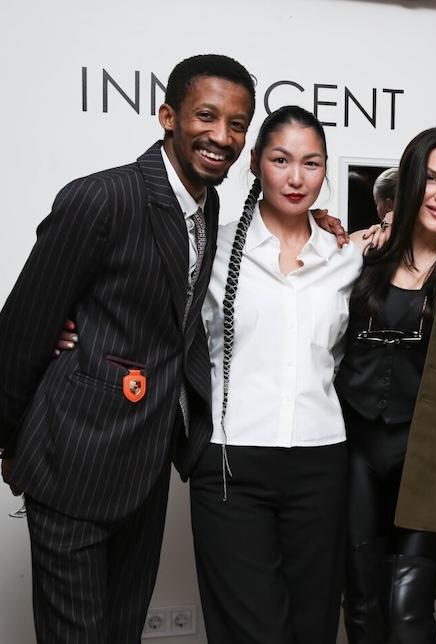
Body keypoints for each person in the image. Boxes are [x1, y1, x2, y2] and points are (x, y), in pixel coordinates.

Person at [0, 54, 256, 643]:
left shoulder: (208, 205)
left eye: (237, 124)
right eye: (207, 116)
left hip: (143, 469)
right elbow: (23, 328)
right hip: (70, 460)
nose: (222, 137)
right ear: (168, 116)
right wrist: (13, 443)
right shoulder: (101, 198)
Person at [191, 105, 368, 644]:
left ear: (325, 170)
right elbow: (149, 318)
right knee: (251, 631)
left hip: (321, 462)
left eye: (311, 163)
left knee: (313, 627)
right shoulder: (211, 247)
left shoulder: (348, 256)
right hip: (230, 463)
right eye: (281, 160)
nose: (296, 178)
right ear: (255, 164)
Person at [335, 127, 436, 643]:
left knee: (407, 610)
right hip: (356, 453)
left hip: (429, 460)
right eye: (431, 178)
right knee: (362, 605)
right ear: (409, 183)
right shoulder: (362, 258)